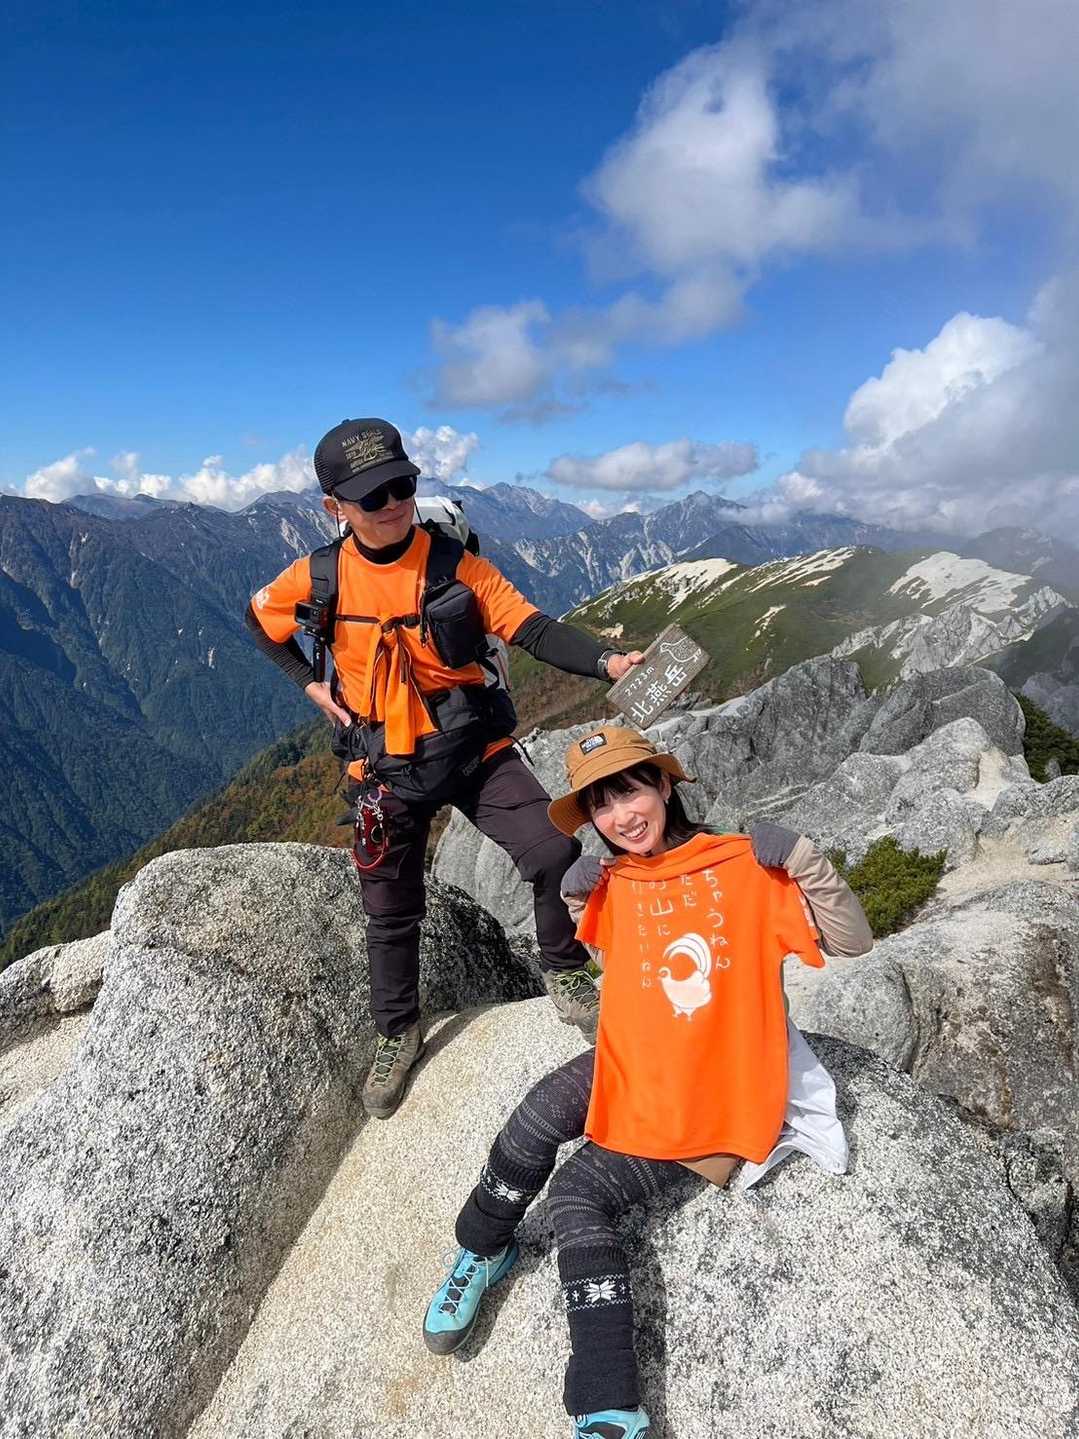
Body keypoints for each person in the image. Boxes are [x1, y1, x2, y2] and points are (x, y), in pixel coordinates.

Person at [421, 725, 873, 1439]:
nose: (620, 816)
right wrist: (581, 904)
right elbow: (632, 963)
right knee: (538, 1112)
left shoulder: (741, 867)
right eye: (600, 805)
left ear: (664, 783)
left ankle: (609, 1405)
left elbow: (852, 940)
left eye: (629, 791)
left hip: (716, 1092)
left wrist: (802, 859)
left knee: (577, 1195)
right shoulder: (621, 882)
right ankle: (483, 1246)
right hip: (644, 1063)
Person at [245, 418, 646, 1119]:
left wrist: (608, 662)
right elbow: (258, 620)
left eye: (402, 485)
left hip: (472, 748)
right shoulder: (318, 576)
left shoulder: (457, 565)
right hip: (383, 765)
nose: (393, 503)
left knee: (553, 849)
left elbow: (532, 628)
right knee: (389, 909)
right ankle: (397, 1032)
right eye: (373, 496)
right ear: (334, 506)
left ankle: (564, 972)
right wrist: (307, 682)